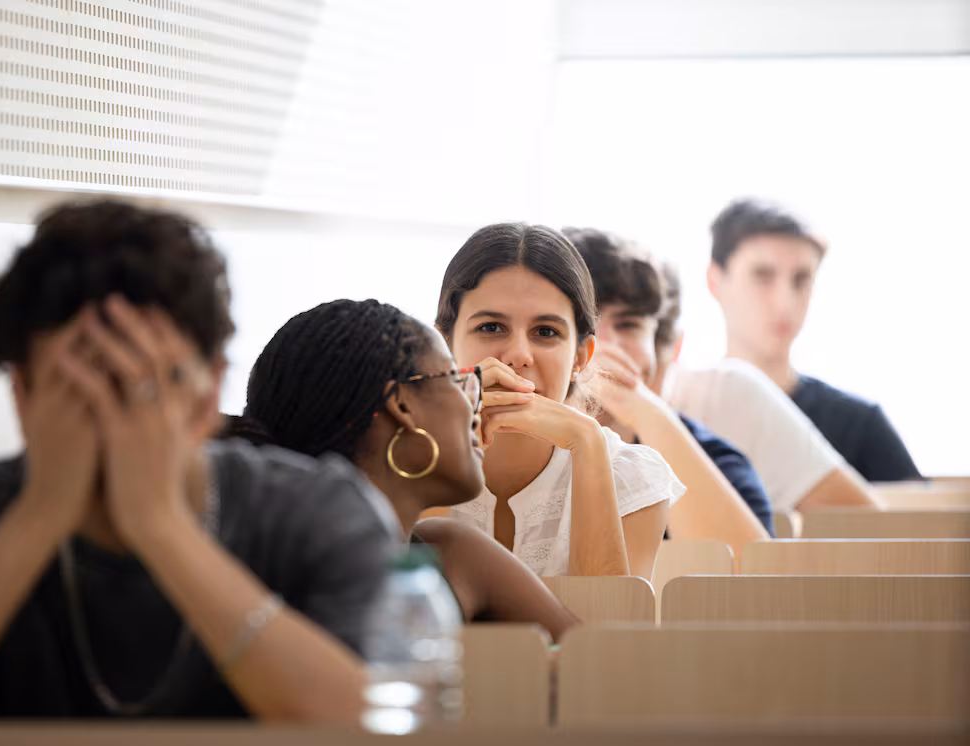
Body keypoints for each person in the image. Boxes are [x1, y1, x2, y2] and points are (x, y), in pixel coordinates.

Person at [0, 200, 394, 723]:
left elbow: (371, 735)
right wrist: (38, 516)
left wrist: (160, 526)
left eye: (146, 384)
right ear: (23, 395)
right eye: (80, 385)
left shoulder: (317, 511)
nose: (115, 414)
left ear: (209, 391)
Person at [232, 299, 578, 639]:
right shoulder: (447, 558)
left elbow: (598, 667)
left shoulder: (456, 552)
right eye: (459, 382)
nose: (476, 406)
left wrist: (586, 441)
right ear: (401, 405)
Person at [430, 223, 685, 581]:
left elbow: (606, 632)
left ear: (581, 356)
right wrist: (443, 428)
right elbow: (404, 609)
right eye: (491, 327)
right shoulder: (403, 453)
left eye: (545, 332)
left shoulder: (632, 477)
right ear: (444, 345)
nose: (519, 355)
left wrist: (587, 443)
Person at [563, 227, 773, 546]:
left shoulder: (716, 460)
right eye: (583, 325)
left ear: (660, 347)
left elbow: (755, 581)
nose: (604, 346)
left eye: (628, 325)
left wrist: (645, 412)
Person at [708, 198, 921, 481]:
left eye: (801, 279)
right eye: (762, 276)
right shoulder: (676, 414)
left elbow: (925, 524)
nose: (784, 303)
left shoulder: (859, 424)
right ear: (715, 281)